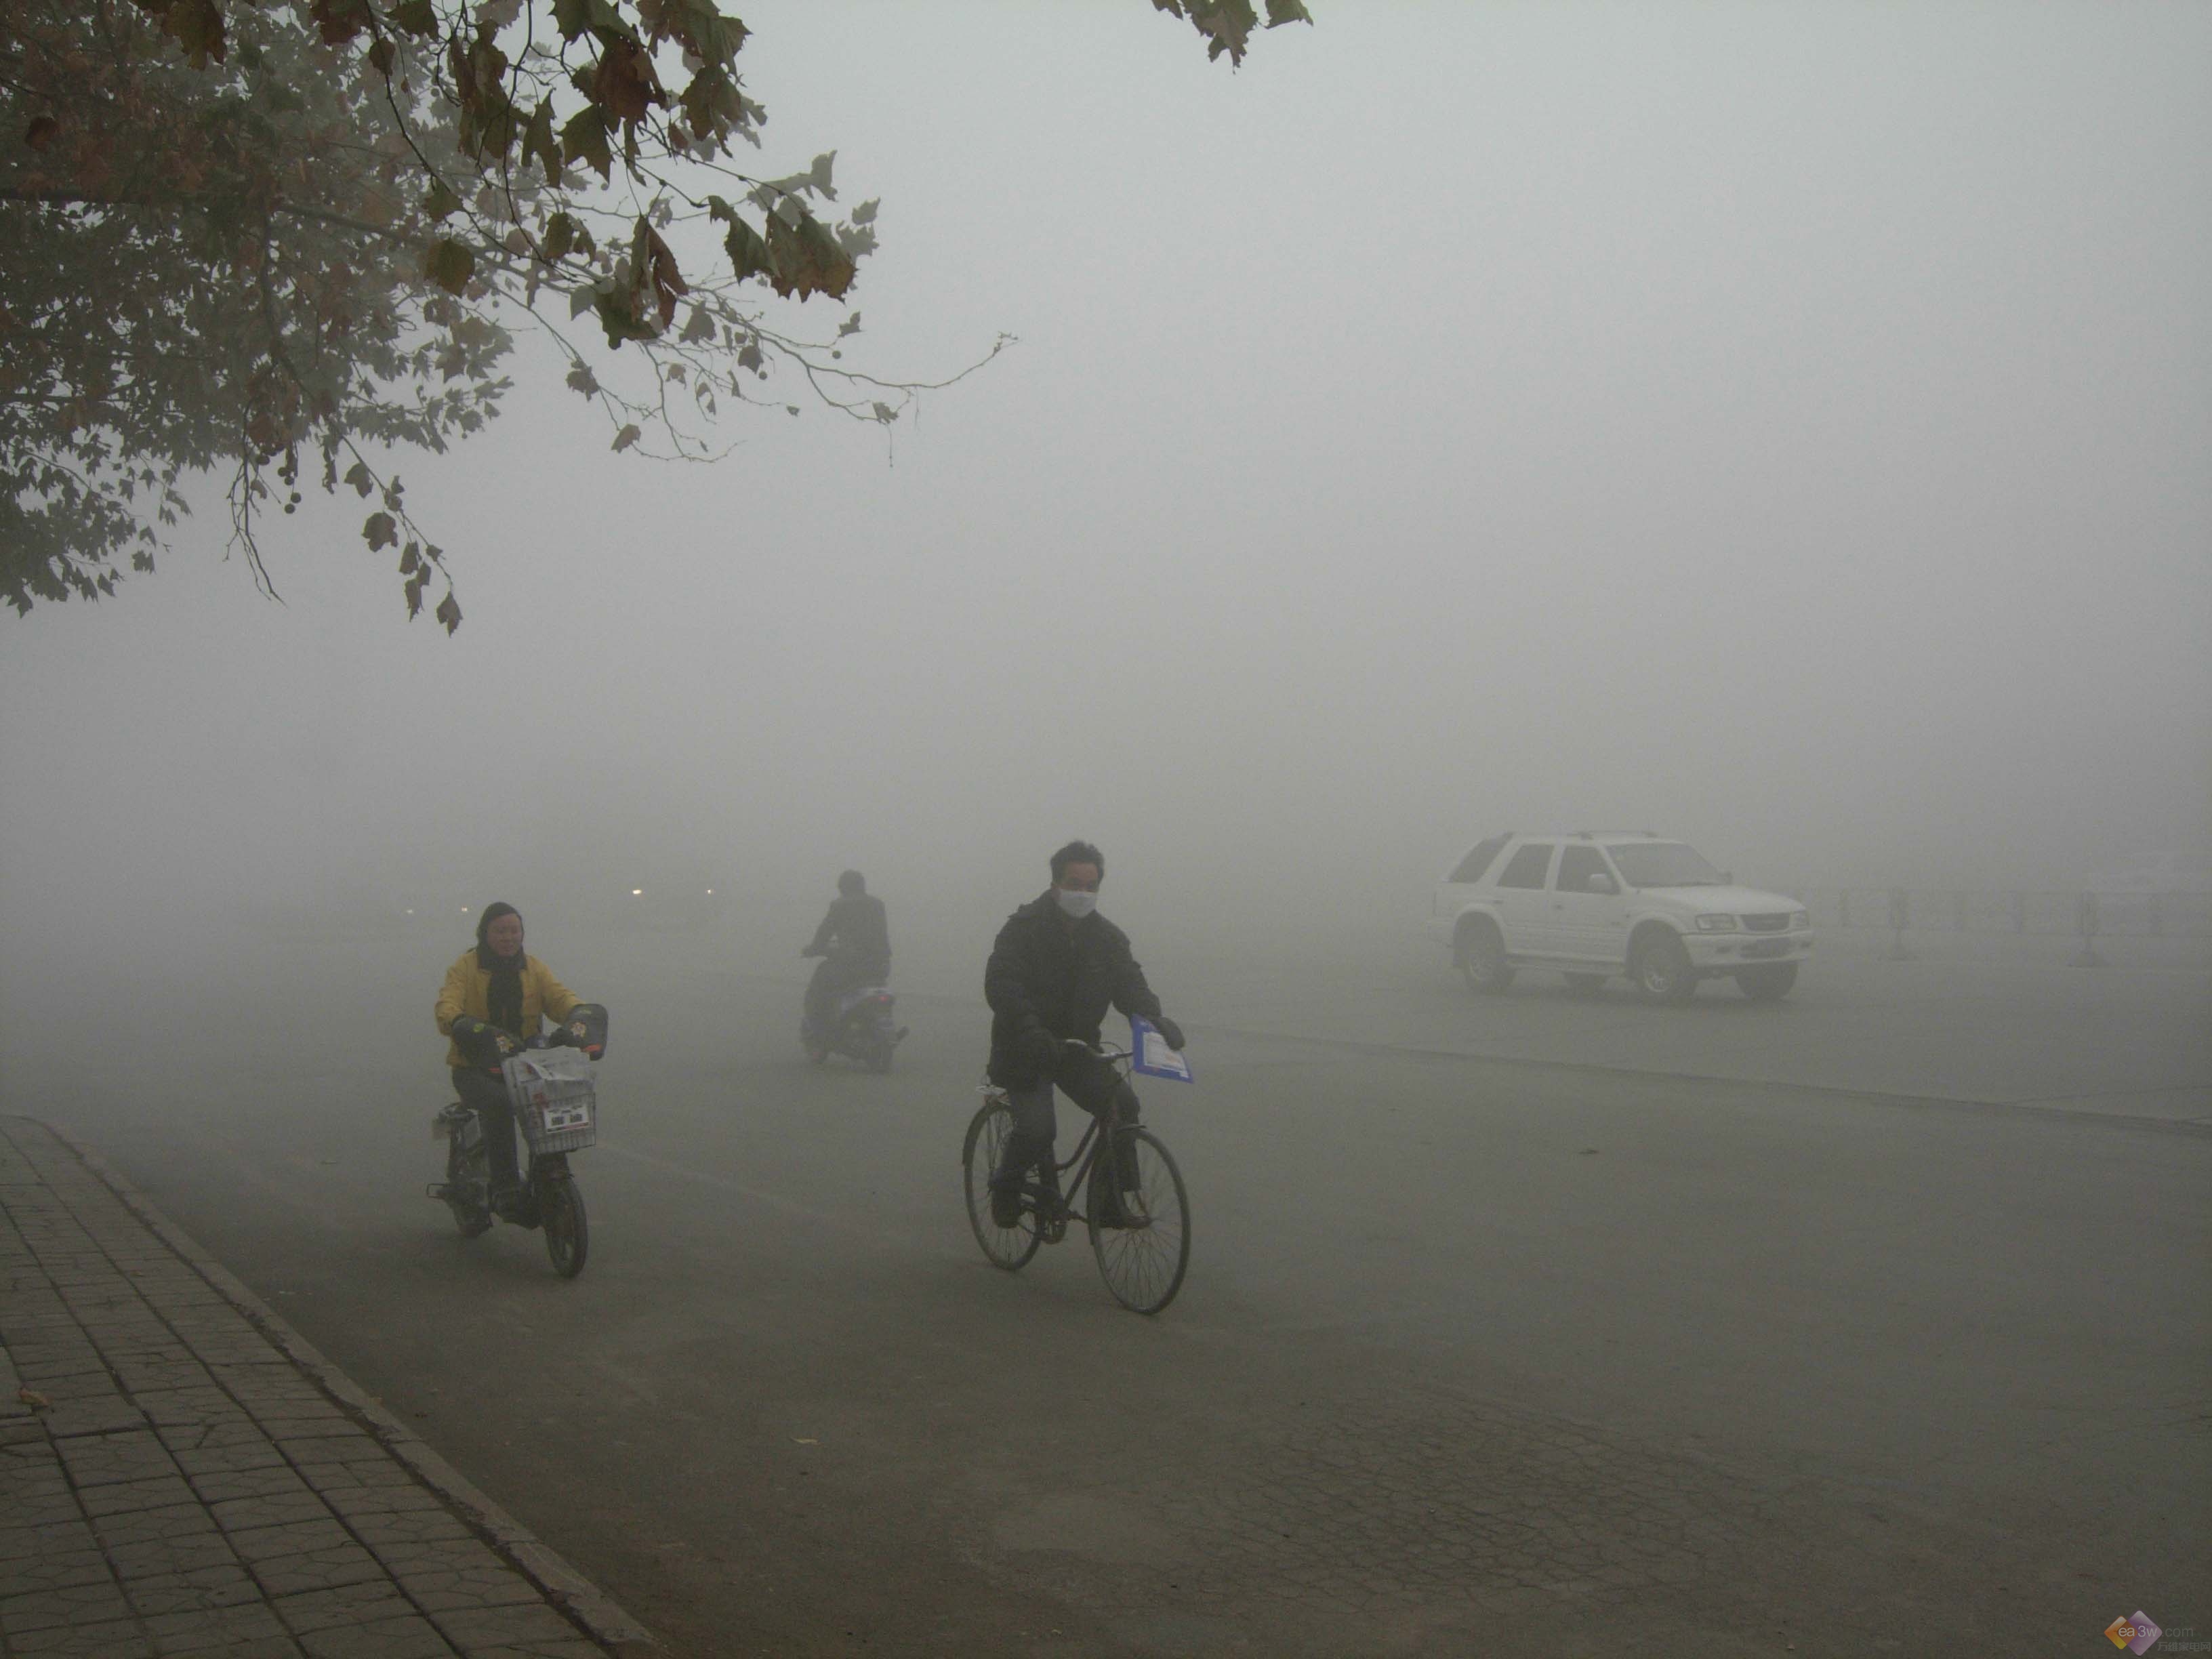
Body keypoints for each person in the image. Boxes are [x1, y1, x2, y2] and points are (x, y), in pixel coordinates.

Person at [984, 840, 1185, 1228]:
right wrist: (1030, 1030)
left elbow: (1129, 983)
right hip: (1026, 1047)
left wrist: (1153, 1019)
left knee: (1123, 1106)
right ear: (1055, 884)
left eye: (1091, 886)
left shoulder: (1107, 938)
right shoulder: (1022, 929)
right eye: (1074, 884)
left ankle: (1110, 1202)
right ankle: (1006, 1188)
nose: (1083, 893)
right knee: (1038, 1130)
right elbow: (1002, 985)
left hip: (1078, 1049)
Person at [435, 903, 588, 1218]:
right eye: (500, 931)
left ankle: (547, 1167)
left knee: (558, 1096)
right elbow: (447, 1005)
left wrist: (580, 1014)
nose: (508, 937)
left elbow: (559, 998)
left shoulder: (534, 969)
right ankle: (506, 1189)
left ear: (522, 933)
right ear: (485, 934)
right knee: (501, 1103)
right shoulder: (465, 968)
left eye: (514, 930)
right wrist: (461, 1023)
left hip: (525, 1065)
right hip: (475, 1069)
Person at [802, 869, 892, 1042]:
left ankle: (819, 1028)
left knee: (820, 985)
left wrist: (813, 949)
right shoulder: (878, 904)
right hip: (881, 966)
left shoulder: (840, 905)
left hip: (850, 966)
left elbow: (825, 932)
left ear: (844, 887)